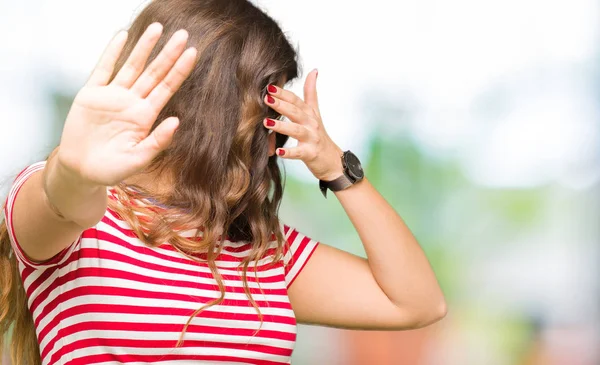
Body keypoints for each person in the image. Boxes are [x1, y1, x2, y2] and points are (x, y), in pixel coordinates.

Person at [0, 0, 446, 364]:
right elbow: (64, 202)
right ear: (207, 108)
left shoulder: (263, 250)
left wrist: (334, 165)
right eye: (265, 110)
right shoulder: (78, 214)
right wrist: (75, 174)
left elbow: (417, 303)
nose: (276, 134)